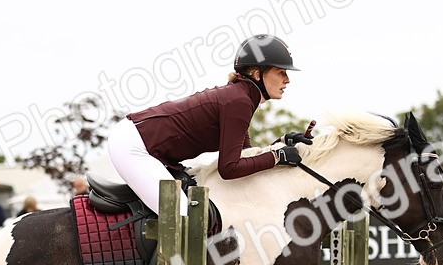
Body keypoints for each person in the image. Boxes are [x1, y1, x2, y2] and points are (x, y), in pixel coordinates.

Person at [107, 34, 310, 217]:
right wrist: (278, 156)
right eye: (281, 72)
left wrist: (281, 143)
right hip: (134, 147)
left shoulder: (240, 98)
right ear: (257, 74)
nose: (287, 80)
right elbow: (229, 168)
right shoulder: (238, 101)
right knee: (184, 217)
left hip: (140, 142)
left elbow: (247, 155)